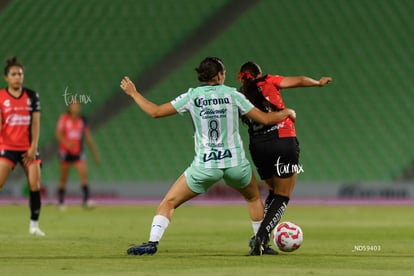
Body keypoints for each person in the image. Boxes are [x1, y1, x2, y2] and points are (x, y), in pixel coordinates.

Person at [120, 57, 296, 256]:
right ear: (220, 75)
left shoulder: (192, 96)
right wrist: (286, 112)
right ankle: (261, 244)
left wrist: (133, 93)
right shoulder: (232, 94)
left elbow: (156, 112)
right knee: (254, 198)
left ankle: (152, 242)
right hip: (235, 164)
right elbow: (264, 119)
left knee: (169, 203)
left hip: (205, 165)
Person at [237, 61, 332, 255]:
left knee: (273, 190)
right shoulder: (269, 80)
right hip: (283, 141)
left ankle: (261, 238)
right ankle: (260, 237)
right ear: (258, 73)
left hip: (258, 146)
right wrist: (317, 83)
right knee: (283, 195)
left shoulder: (239, 95)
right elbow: (298, 80)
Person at [0, 56, 45, 236]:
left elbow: (35, 123)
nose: (17, 77)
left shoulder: (32, 96)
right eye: (13, 74)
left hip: (27, 147)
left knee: (35, 184)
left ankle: (34, 225)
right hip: (7, 147)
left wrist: (33, 146)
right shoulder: (1, 97)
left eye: (20, 74)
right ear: (6, 78)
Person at [56, 100, 99, 210]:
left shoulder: (82, 120)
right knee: (64, 178)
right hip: (65, 152)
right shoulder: (64, 118)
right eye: (74, 105)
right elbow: (58, 134)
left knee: (83, 175)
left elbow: (88, 137)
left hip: (78, 151)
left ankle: (86, 200)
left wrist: (94, 152)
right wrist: (67, 143)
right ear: (69, 107)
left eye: (77, 105)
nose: (76, 107)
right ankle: (61, 202)